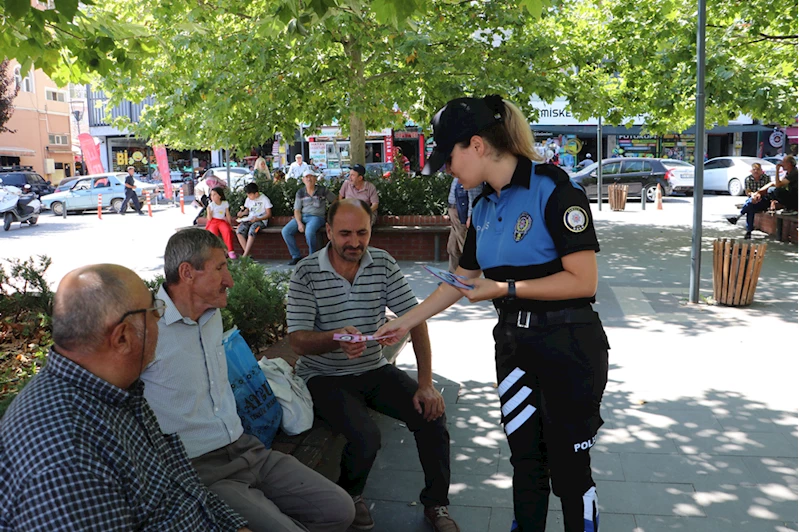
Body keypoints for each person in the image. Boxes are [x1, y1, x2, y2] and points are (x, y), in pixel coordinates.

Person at [376, 95, 609, 532]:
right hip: (515, 349)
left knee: (569, 471)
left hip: (569, 348)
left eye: (450, 157)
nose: (447, 168)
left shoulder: (554, 188)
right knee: (526, 462)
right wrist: (404, 322)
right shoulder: (482, 205)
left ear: (477, 145)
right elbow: (461, 279)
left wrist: (505, 288)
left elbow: (584, 281)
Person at [0, 264, 251, 531]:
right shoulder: (67, 458)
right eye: (154, 311)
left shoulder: (114, 388)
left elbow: (181, 485)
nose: (159, 319)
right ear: (122, 338)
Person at [140, 229, 355, 532]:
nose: (229, 280)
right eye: (220, 268)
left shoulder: (211, 314)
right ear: (187, 273)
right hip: (200, 469)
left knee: (339, 510)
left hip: (246, 448)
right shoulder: (147, 329)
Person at [286, 199, 460, 532]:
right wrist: (335, 338)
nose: (354, 242)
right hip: (323, 375)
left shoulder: (381, 262)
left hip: (373, 367)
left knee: (432, 415)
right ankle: (351, 495)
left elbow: (416, 320)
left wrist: (426, 383)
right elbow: (297, 341)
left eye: (362, 232)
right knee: (366, 436)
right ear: (328, 232)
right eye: (345, 233)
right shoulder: (306, 272)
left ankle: (436, 504)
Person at [727, 156, 799, 238]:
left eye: (758, 170)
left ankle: (738, 218)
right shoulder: (748, 179)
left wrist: (777, 171)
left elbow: (777, 185)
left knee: (771, 191)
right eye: (754, 170)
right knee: (751, 205)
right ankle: (748, 231)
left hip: (785, 199)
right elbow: (750, 191)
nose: (781, 164)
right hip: (756, 198)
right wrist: (756, 194)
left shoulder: (793, 173)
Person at [282, 171, 336, 265]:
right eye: (306, 177)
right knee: (286, 231)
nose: (309, 179)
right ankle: (296, 256)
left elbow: (335, 201)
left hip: (317, 217)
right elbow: (297, 210)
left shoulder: (322, 190)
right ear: (303, 180)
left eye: (311, 177)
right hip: (303, 216)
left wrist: (330, 212)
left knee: (309, 232)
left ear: (315, 179)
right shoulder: (300, 192)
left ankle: (312, 257)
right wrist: (299, 223)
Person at [447, 177, 482, 272]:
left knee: (465, 247)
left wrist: (471, 215)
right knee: (453, 248)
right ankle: (453, 276)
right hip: (455, 211)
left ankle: (466, 278)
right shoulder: (459, 173)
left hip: (462, 214)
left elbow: (475, 197)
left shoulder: (471, 174)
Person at [235, 183, 273, 258]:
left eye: (250, 195)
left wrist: (258, 219)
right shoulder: (248, 199)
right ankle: (248, 254)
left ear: (256, 194)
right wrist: (242, 213)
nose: (248, 197)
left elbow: (269, 214)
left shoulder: (264, 199)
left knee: (252, 231)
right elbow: (247, 210)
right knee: (239, 231)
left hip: (261, 220)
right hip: (250, 219)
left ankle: (245, 255)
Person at [206, 187, 238, 259]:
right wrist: (209, 211)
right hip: (213, 221)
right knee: (213, 234)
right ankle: (214, 252)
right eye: (211, 195)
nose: (212, 197)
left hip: (221, 221)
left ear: (220, 196)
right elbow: (209, 218)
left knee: (226, 231)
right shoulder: (211, 205)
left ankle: (230, 251)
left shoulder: (225, 203)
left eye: (214, 195)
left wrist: (230, 224)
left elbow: (228, 214)